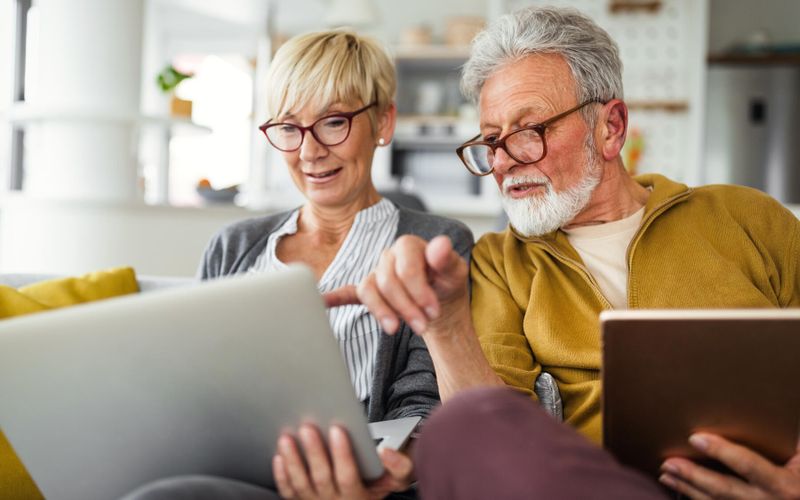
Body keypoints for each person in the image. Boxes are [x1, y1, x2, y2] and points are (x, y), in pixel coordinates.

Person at [326, 6, 800, 499]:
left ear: (611, 127)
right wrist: (444, 324)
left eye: (530, 131)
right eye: (492, 140)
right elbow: (490, 440)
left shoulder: (747, 217)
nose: (505, 162)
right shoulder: (499, 263)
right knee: (457, 429)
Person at [125, 30, 472, 500]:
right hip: (240, 471)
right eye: (288, 128)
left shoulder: (435, 244)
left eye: (333, 122)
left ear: (383, 122)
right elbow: (196, 382)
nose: (309, 151)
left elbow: (425, 409)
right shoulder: (233, 246)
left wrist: (390, 468)